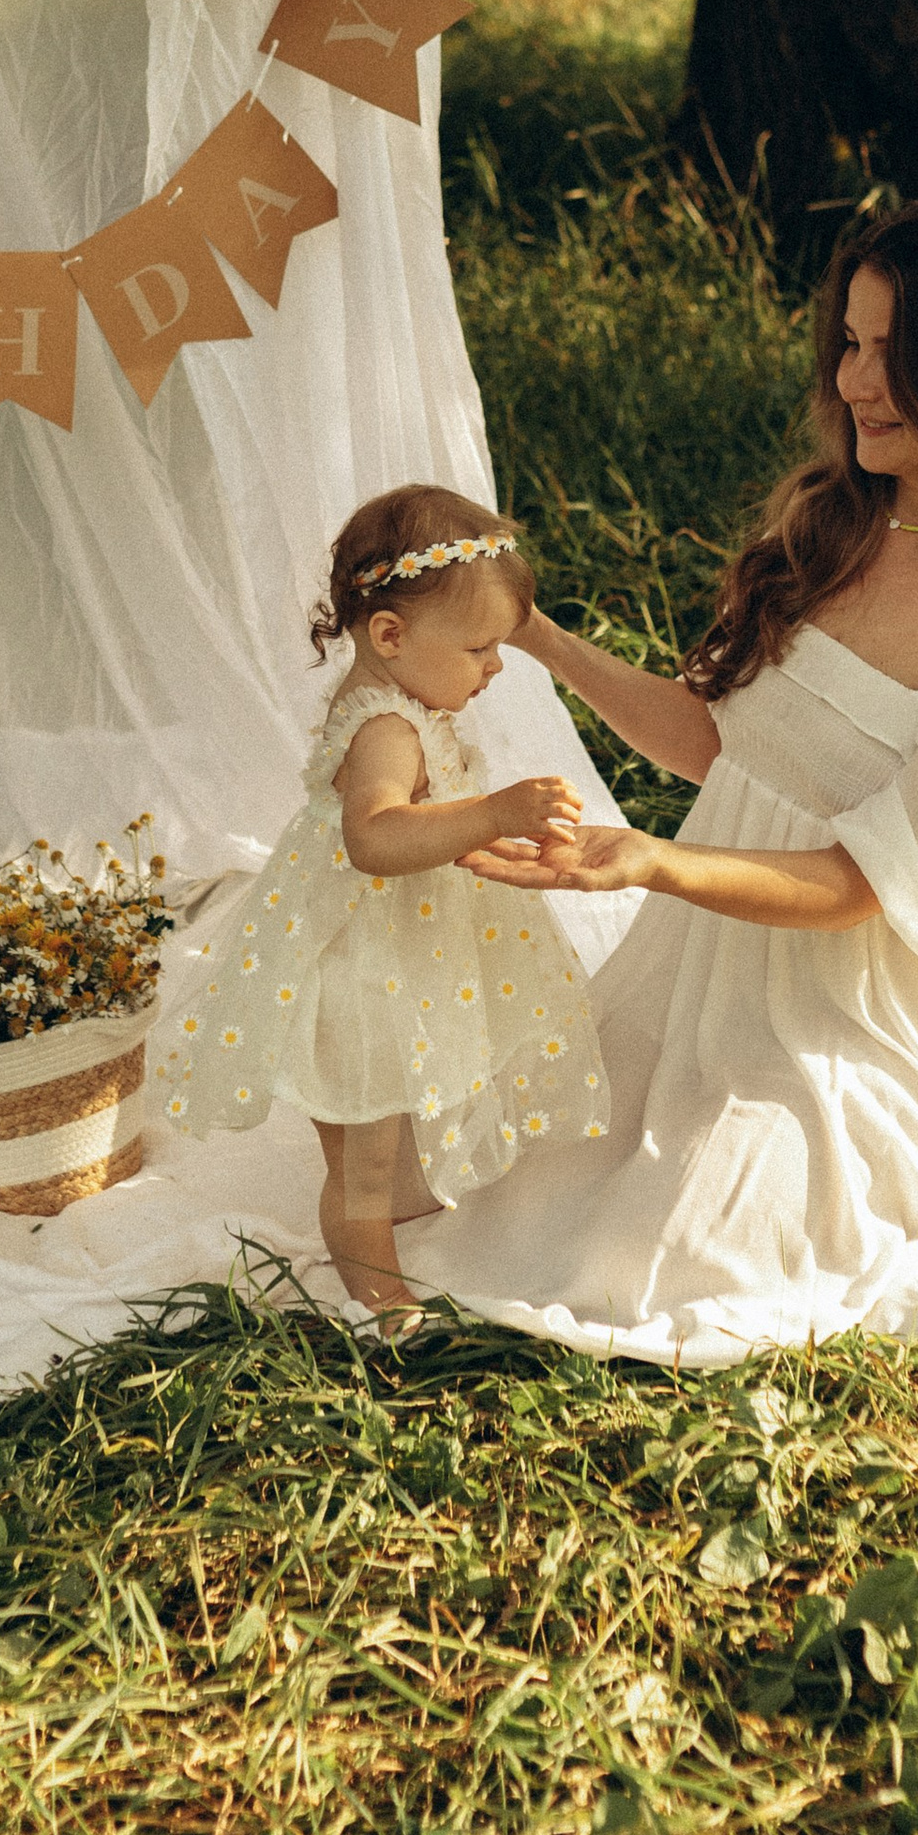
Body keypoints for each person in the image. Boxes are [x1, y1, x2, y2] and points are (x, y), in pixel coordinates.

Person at [404, 200, 918, 1357]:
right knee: (489, 1173)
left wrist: (653, 860)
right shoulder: (838, 524)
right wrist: (538, 636)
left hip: (863, 1018)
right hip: (703, 967)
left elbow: (862, 886)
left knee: (680, 1251)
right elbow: (724, 747)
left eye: (895, 353)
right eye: (850, 343)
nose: (856, 382)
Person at [168, 486, 609, 1314]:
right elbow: (374, 837)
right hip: (365, 964)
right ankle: (377, 1296)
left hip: (396, 943)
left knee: (381, 1119)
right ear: (390, 636)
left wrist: (483, 844)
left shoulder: (403, 701)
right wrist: (494, 812)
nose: (496, 666)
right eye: (479, 647)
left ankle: (389, 1218)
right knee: (362, 1157)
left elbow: (426, 824)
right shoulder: (385, 730)